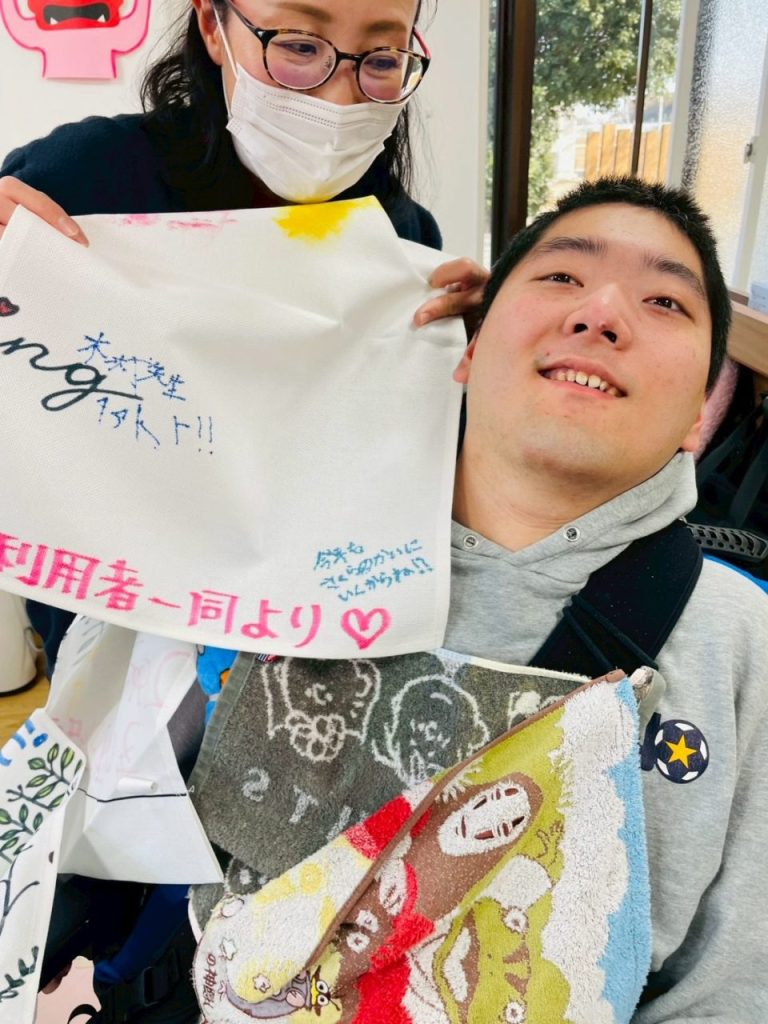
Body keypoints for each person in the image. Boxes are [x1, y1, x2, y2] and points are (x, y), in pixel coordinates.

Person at [191, 177, 768, 1021]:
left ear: (698, 415)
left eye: (664, 302)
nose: (602, 312)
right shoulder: (275, 546)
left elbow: (732, 987)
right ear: (469, 348)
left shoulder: (742, 642)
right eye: (562, 276)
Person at [0, 0, 488, 677]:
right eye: (299, 45)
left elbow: (384, 458)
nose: (338, 97)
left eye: (381, 59)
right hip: (116, 634)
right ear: (212, 26)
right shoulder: (87, 177)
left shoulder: (401, 235)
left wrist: (481, 351)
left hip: (306, 642)